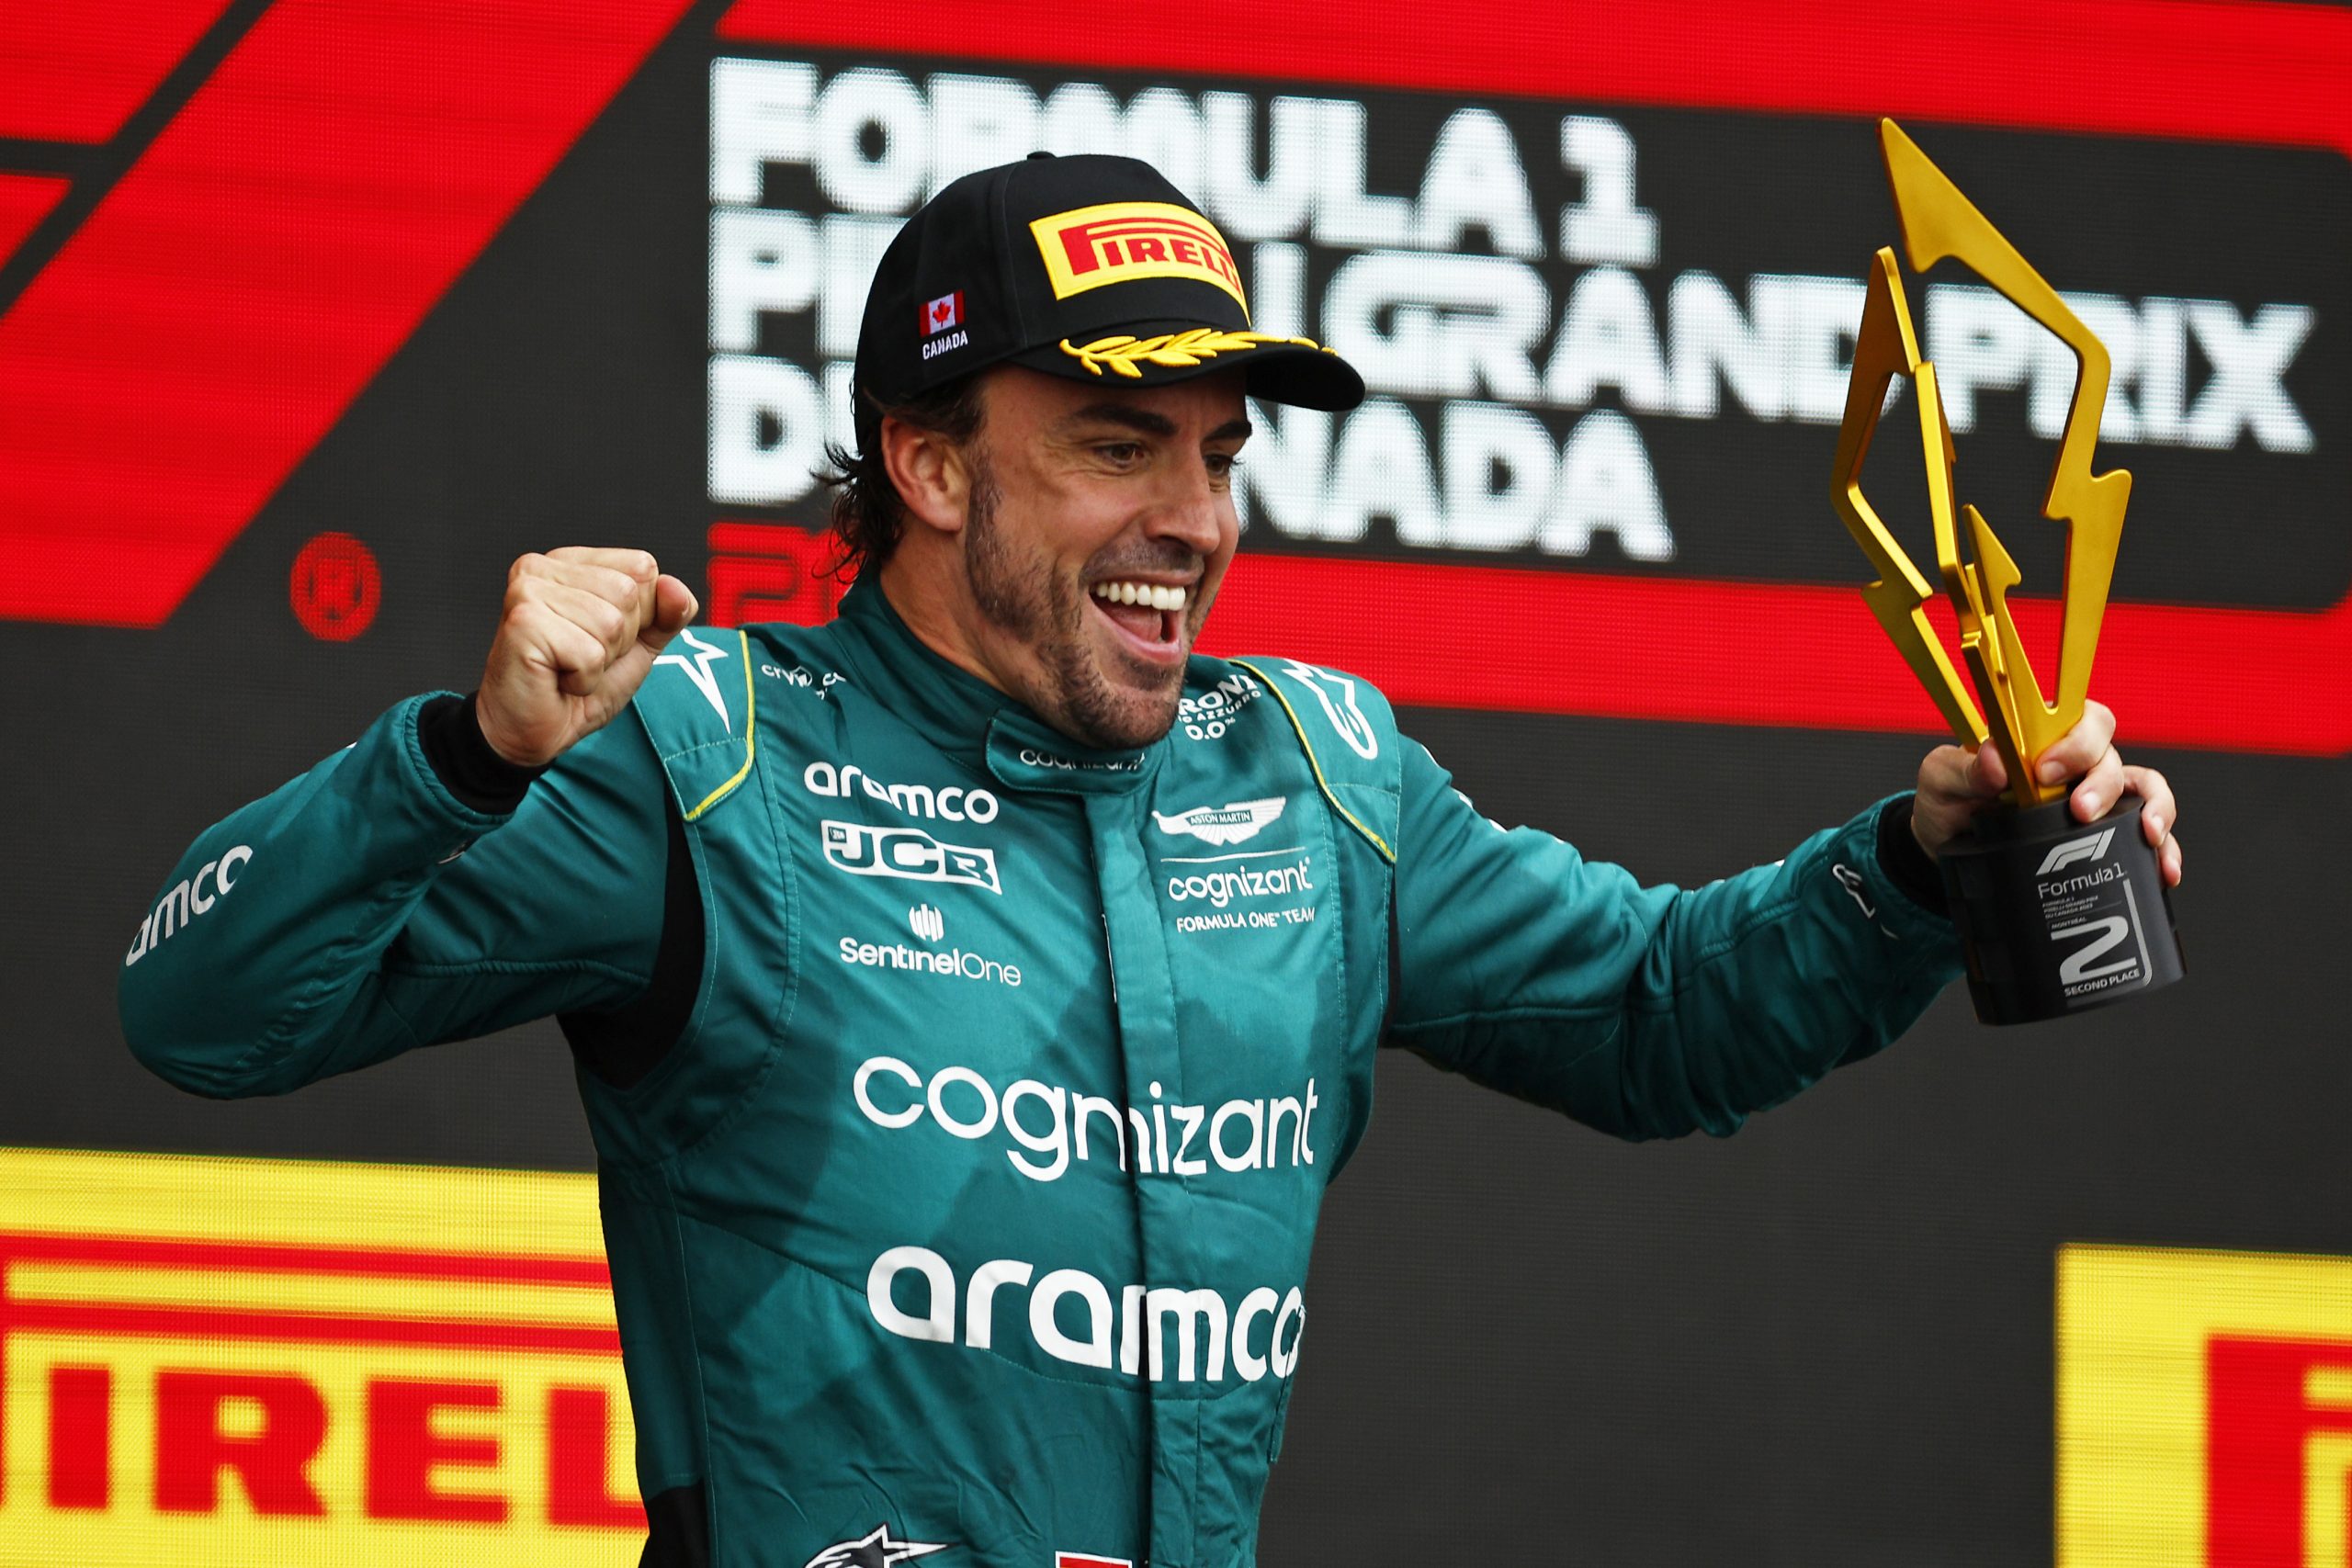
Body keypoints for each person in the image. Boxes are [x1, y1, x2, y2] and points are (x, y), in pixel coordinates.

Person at [119, 153, 2181, 1568]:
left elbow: (1666, 1018)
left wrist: (1923, 860)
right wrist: (462, 758)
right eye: (1115, 445)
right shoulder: (702, 755)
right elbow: (199, 1016)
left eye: (1216, 450)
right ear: (925, 465)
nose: (1188, 514)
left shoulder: (1312, 771)